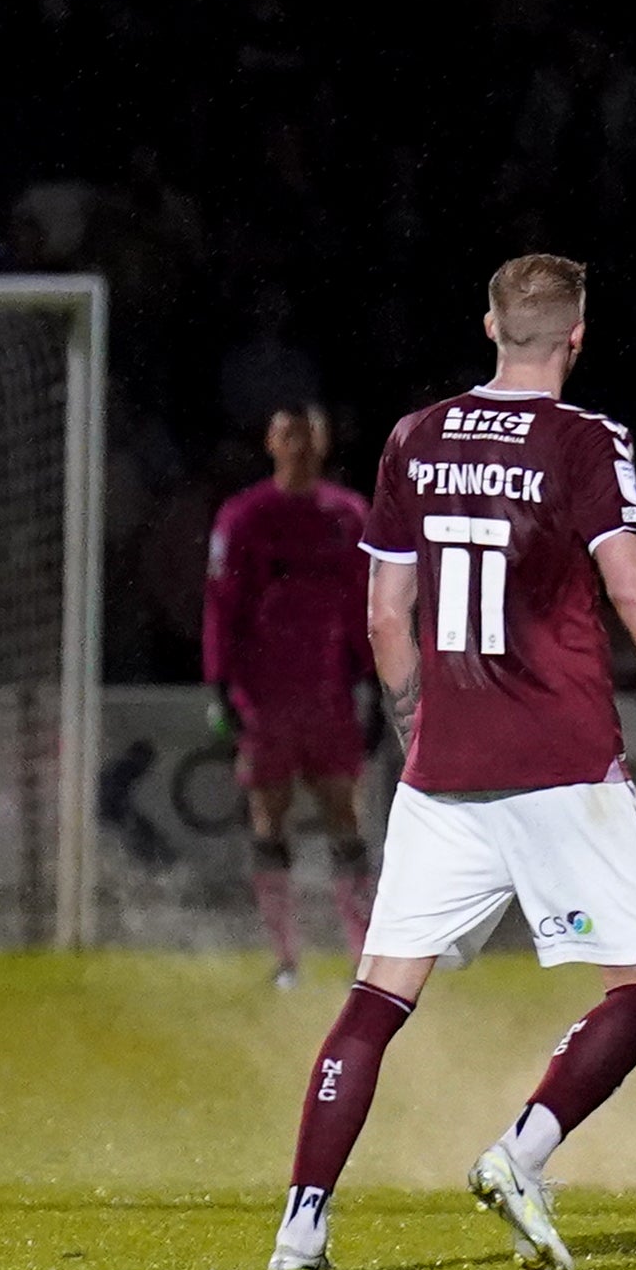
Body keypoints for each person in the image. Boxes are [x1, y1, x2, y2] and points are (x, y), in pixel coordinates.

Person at [265, 255, 636, 1270]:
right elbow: (629, 582)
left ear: (489, 323)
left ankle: (300, 1234)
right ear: (577, 338)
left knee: (376, 996)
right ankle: (521, 1154)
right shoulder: (586, 440)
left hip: (445, 767)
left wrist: (416, 733)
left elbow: (385, 617)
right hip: (562, 762)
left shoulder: (414, 436)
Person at [203, 400, 376, 987]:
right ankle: (286, 958)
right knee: (269, 817)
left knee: (343, 813)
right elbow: (222, 607)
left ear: (323, 443)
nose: (298, 446)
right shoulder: (244, 517)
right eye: (287, 436)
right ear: (271, 443)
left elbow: (367, 609)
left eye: (307, 436)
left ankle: (361, 957)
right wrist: (221, 684)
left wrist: (376, 683)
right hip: (266, 695)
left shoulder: (350, 516)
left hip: (329, 695)